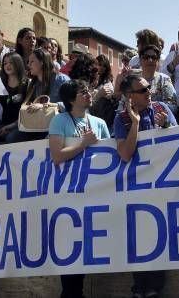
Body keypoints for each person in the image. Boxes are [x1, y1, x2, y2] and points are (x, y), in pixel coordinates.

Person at [113, 74, 175, 298]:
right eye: (143, 90)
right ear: (130, 96)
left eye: (149, 88)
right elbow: (125, 154)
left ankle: (154, 288)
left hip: (162, 185)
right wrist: (136, 124)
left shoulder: (162, 109)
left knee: (159, 235)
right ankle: (139, 287)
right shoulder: (121, 119)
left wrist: (166, 126)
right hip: (136, 188)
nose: (149, 92)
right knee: (139, 237)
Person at [46, 79, 109, 298]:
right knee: (70, 246)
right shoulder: (59, 121)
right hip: (68, 195)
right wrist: (83, 144)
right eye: (83, 91)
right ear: (72, 98)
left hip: (94, 194)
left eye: (88, 89)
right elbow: (57, 156)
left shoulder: (99, 122)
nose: (89, 93)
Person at [5, 49, 69, 144]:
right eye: (28, 62)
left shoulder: (62, 80)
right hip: (38, 125)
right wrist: (12, 126)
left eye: (32, 61)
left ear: (42, 62)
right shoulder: (34, 84)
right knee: (11, 137)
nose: (28, 65)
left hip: (58, 126)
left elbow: (72, 104)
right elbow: (28, 111)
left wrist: (46, 105)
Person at [88, 55, 117, 128]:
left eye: (103, 65)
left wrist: (98, 94)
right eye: (98, 64)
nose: (100, 67)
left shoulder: (108, 84)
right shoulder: (90, 80)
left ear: (106, 68)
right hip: (90, 116)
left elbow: (109, 96)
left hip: (102, 119)